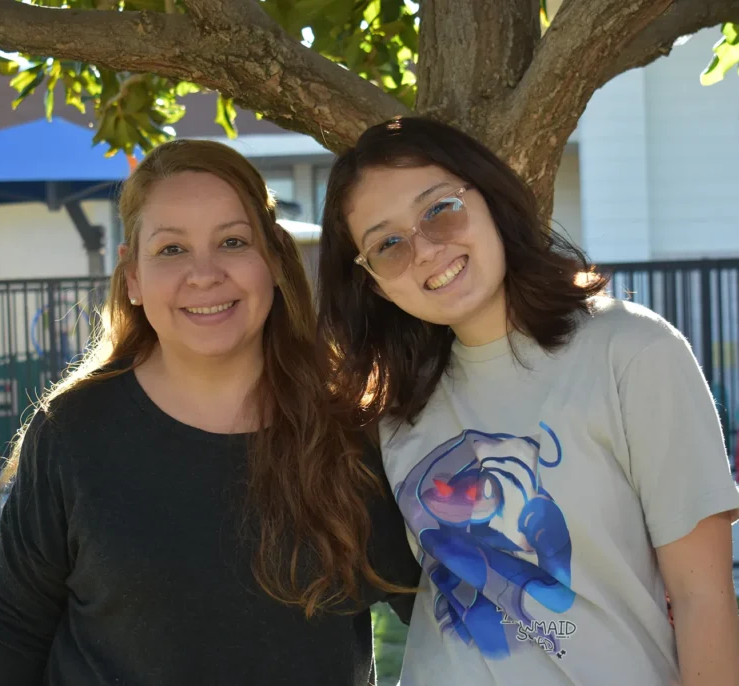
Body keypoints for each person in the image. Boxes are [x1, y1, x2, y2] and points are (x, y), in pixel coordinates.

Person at [0, 139, 421, 686]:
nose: (204, 275)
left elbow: (437, 611)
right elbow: (13, 626)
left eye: (232, 241)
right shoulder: (73, 431)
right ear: (132, 275)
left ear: (274, 260)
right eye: (172, 250)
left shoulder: (347, 426)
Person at [317, 116, 739, 686]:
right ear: (372, 283)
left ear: (489, 196)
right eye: (387, 244)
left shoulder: (633, 352)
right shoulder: (392, 407)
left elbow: (703, 599)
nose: (424, 250)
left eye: (440, 209)